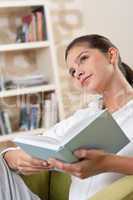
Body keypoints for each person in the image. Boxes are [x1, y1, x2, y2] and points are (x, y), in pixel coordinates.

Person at [1, 34, 133, 200]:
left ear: (111, 55)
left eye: (83, 58)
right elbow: (43, 142)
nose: (77, 72)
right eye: (72, 72)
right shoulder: (84, 116)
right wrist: (12, 156)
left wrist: (106, 163)